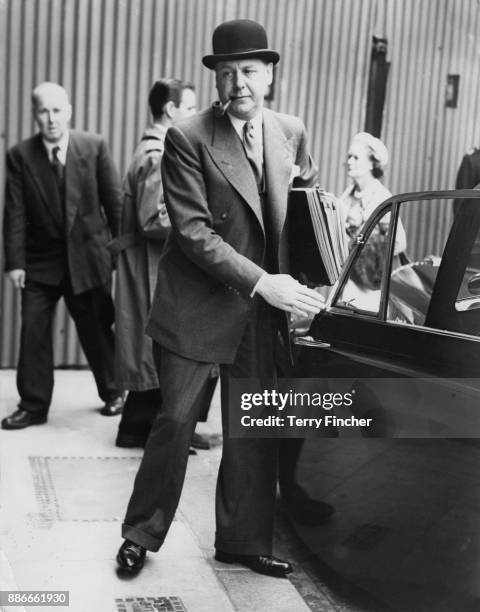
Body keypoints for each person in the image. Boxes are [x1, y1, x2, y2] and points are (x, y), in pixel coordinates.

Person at [116, 19, 324, 578]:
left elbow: (303, 207)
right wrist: (265, 283)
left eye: (250, 72)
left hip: (263, 308)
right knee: (176, 421)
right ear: (216, 78)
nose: (239, 85)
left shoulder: (291, 130)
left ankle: (241, 540)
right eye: (228, 73)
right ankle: (140, 533)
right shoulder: (188, 136)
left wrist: (321, 272)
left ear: (270, 74)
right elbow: (192, 232)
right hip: (199, 305)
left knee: (252, 425)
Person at [2, 81, 125, 430]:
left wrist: (118, 252)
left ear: (68, 111)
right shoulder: (20, 156)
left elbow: (113, 202)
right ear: (34, 114)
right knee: (34, 331)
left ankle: (115, 392)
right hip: (41, 262)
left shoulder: (93, 146)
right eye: (43, 110)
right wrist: (15, 263)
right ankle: (33, 405)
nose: (51, 118)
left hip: (87, 257)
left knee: (97, 328)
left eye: (57, 110)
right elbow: (14, 212)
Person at [112, 78, 213, 451]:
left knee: (154, 349)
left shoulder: (152, 149)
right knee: (158, 348)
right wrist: (201, 222)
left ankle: (156, 428)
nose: (194, 115)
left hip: (148, 265)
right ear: (170, 110)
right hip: (150, 267)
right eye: (189, 108)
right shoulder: (158, 155)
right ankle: (150, 432)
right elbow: (153, 219)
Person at [338, 131, 406, 256]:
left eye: (356, 158)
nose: (350, 162)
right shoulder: (349, 193)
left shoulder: (381, 197)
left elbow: (398, 242)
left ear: (371, 163)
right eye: (349, 157)